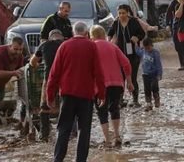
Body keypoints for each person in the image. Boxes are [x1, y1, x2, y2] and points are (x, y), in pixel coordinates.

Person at [47, 21, 106, 162]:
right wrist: (102, 94)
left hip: (67, 95)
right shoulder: (92, 46)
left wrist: (49, 95)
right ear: (86, 33)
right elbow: (98, 72)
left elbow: (54, 73)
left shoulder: (64, 46)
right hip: (86, 96)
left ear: (73, 32)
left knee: (63, 129)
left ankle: (58, 159)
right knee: (84, 130)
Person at [91, 25, 132, 147]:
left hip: (99, 85)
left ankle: (107, 140)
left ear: (92, 36)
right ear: (104, 35)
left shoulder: (92, 47)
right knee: (114, 109)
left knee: (101, 111)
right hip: (117, 84)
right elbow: (126, 63)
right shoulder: (113, 46)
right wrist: (129, 81)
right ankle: (117, 136)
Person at [30, 29, 65, 142]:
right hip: (65, 79)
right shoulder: (65, 45)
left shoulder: (44, 45)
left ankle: (44, 135)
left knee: (44, 107)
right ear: (61, 37)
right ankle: (67, 133)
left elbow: (32, 62)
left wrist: (37, 64)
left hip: (49, 78)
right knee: (65, 105)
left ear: (50, 38)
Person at [108, 4, 145, 106]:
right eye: (119, 13)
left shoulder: (134, 21)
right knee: (121, 77)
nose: (121, 15)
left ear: (128, 13)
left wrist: (137, 38)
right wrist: (109, 42)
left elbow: (142, 33)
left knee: (132, 77)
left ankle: (135, 99)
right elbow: (110, 33)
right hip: (120, 54)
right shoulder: (116, 23)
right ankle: (120, 100)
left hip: (133, 54)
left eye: (123, 13)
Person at [166, 0, 184, 70]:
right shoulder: (174, 2)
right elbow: (168, 13)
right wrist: (167, 24)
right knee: (178, 46)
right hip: (176, 26)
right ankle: (183, 63)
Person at [137, 39, 163, 111]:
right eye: (146, 48)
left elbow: (159, 64)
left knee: (154, 87)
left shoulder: (155, 53)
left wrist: (159, 74)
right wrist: (136, 44)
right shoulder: (143, 51)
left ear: (152, 45)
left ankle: (157, 99)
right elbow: (138, 52)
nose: (147, 50)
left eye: (148, 48)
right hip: (145, 74)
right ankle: (148, 103)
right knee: (147, 89)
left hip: (154, 74)